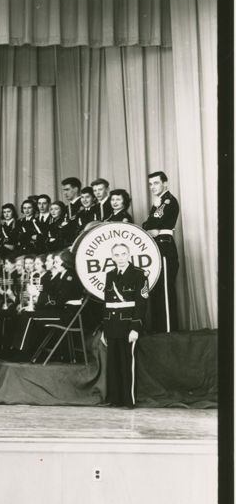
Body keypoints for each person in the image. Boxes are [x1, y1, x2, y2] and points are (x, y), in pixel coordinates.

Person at [100, 242, 148, 407]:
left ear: (128, 255)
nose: (120, 258)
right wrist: (105, 330)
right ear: (112, 257)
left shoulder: (139, 274)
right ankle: (116, 399)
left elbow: (141, 303)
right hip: (112, 325)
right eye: (116, 255)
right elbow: (107, 303)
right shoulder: (110, 274)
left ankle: (129, 400)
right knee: (113, 364)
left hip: (128, 326)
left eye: (123, 254)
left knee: (127, 364)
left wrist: (135, 328)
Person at [142, 171, 181, 333]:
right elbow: (147, 226)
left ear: (165, 183)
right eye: (150, 184)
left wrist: (152, 225)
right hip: (157, 247)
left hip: (165, 247)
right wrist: (151, 226)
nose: (152, 187)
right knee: (157, 289)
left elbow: (152, 223)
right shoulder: (159, 202)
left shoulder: (168, 201)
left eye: (156, 183)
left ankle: (168, 331)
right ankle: (159, 331)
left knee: (165, 290)